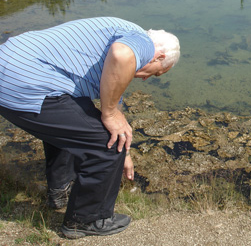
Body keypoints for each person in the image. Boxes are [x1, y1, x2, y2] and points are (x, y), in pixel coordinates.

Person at [0, 17, 180, 239]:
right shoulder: (142, 43)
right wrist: (110, 114)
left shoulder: (121, 29)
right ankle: (86, 220)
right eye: (156, 72)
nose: (146, 79)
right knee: (106, 144)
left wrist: (126, 152)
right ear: (159, 57)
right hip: (25, 81)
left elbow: (114, 102)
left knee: (75, 126)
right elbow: (121, 54)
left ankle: (60, 192)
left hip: (10, 67)